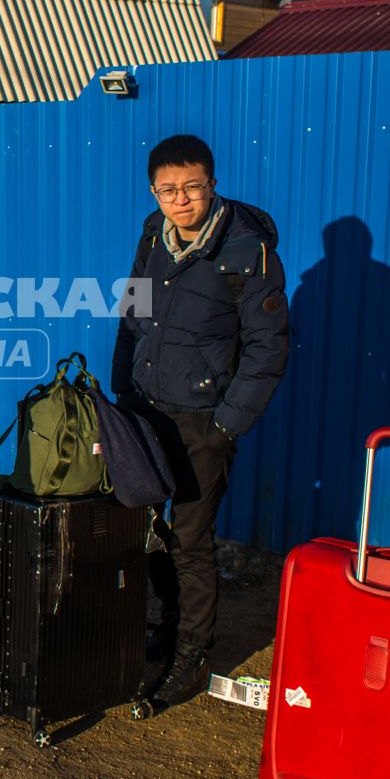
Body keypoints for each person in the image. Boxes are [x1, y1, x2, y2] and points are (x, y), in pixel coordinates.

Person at [112, 134, 289, 711]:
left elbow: (268, 348)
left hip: (201, 423)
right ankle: (165, 622)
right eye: (169, 190)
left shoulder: (247, 251)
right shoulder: (151, 236)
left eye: (192, 187)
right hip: (145, 408)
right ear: (153, 192)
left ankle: (191, 656)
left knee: (189, 540)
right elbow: (134, 310)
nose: (181, 200)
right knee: (140, 528)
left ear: (212, 183)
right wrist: (122, 386)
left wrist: (226, 425)